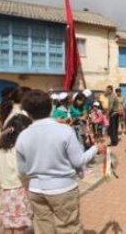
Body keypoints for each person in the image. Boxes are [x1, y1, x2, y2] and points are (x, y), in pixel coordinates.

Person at [15, 89, 105, 233]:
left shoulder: (23, 136)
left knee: (43, 229)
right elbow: (78, 161)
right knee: (68, 228)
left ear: (27, 112)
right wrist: (95, 149)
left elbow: (22, 171)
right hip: (63, 189)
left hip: (36, 190)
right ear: (51, 107)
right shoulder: (64, 131)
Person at [0, 110, 33, 233]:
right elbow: (21, 171)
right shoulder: (17, 150)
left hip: (5, 193)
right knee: (20, 227)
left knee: (8, 225)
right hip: (19, 192)